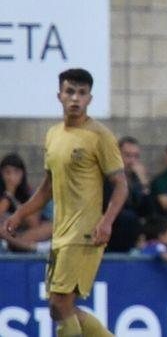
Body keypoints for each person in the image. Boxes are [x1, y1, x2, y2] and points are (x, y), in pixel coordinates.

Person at [3, 69, 127, 337]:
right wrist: (20, 215)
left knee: (61, 303)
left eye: (81, 93)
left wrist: (106, 221)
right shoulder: (53, 135)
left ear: (89, 99)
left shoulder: (99, 136)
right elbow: (47, 187)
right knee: (58, 309)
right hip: (60, 232)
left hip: (85, 232)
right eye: (70, 91)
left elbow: (121, 185)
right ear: (59, 95)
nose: (75, 98)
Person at [105, 137, 153, 253]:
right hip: (112, 222)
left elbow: (149, 212)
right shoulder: (109, 177)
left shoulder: (136, 179)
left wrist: (144, 183)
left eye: (136, 156)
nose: (132, 161)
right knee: (128, 217)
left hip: (132, 223)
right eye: (127, 155)